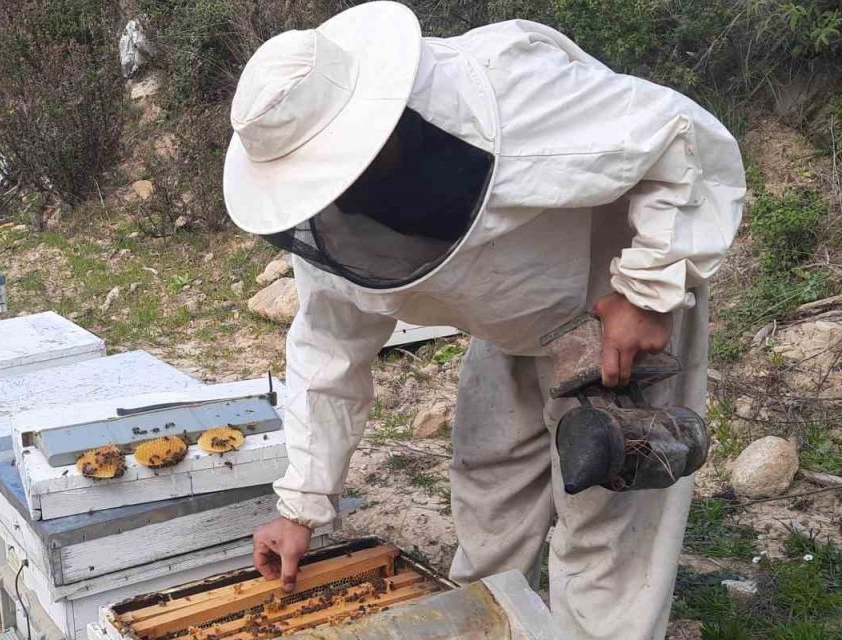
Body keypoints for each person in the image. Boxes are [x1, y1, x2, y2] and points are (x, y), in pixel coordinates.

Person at [222, 3, 745, 639]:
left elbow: (685, 139)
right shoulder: (330, 219)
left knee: (607, 532)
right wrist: (301, 506)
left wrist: (648, 289)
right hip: (510, 323)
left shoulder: (512, 91)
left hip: (615, 307)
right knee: (489, 490)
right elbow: (328, 350)